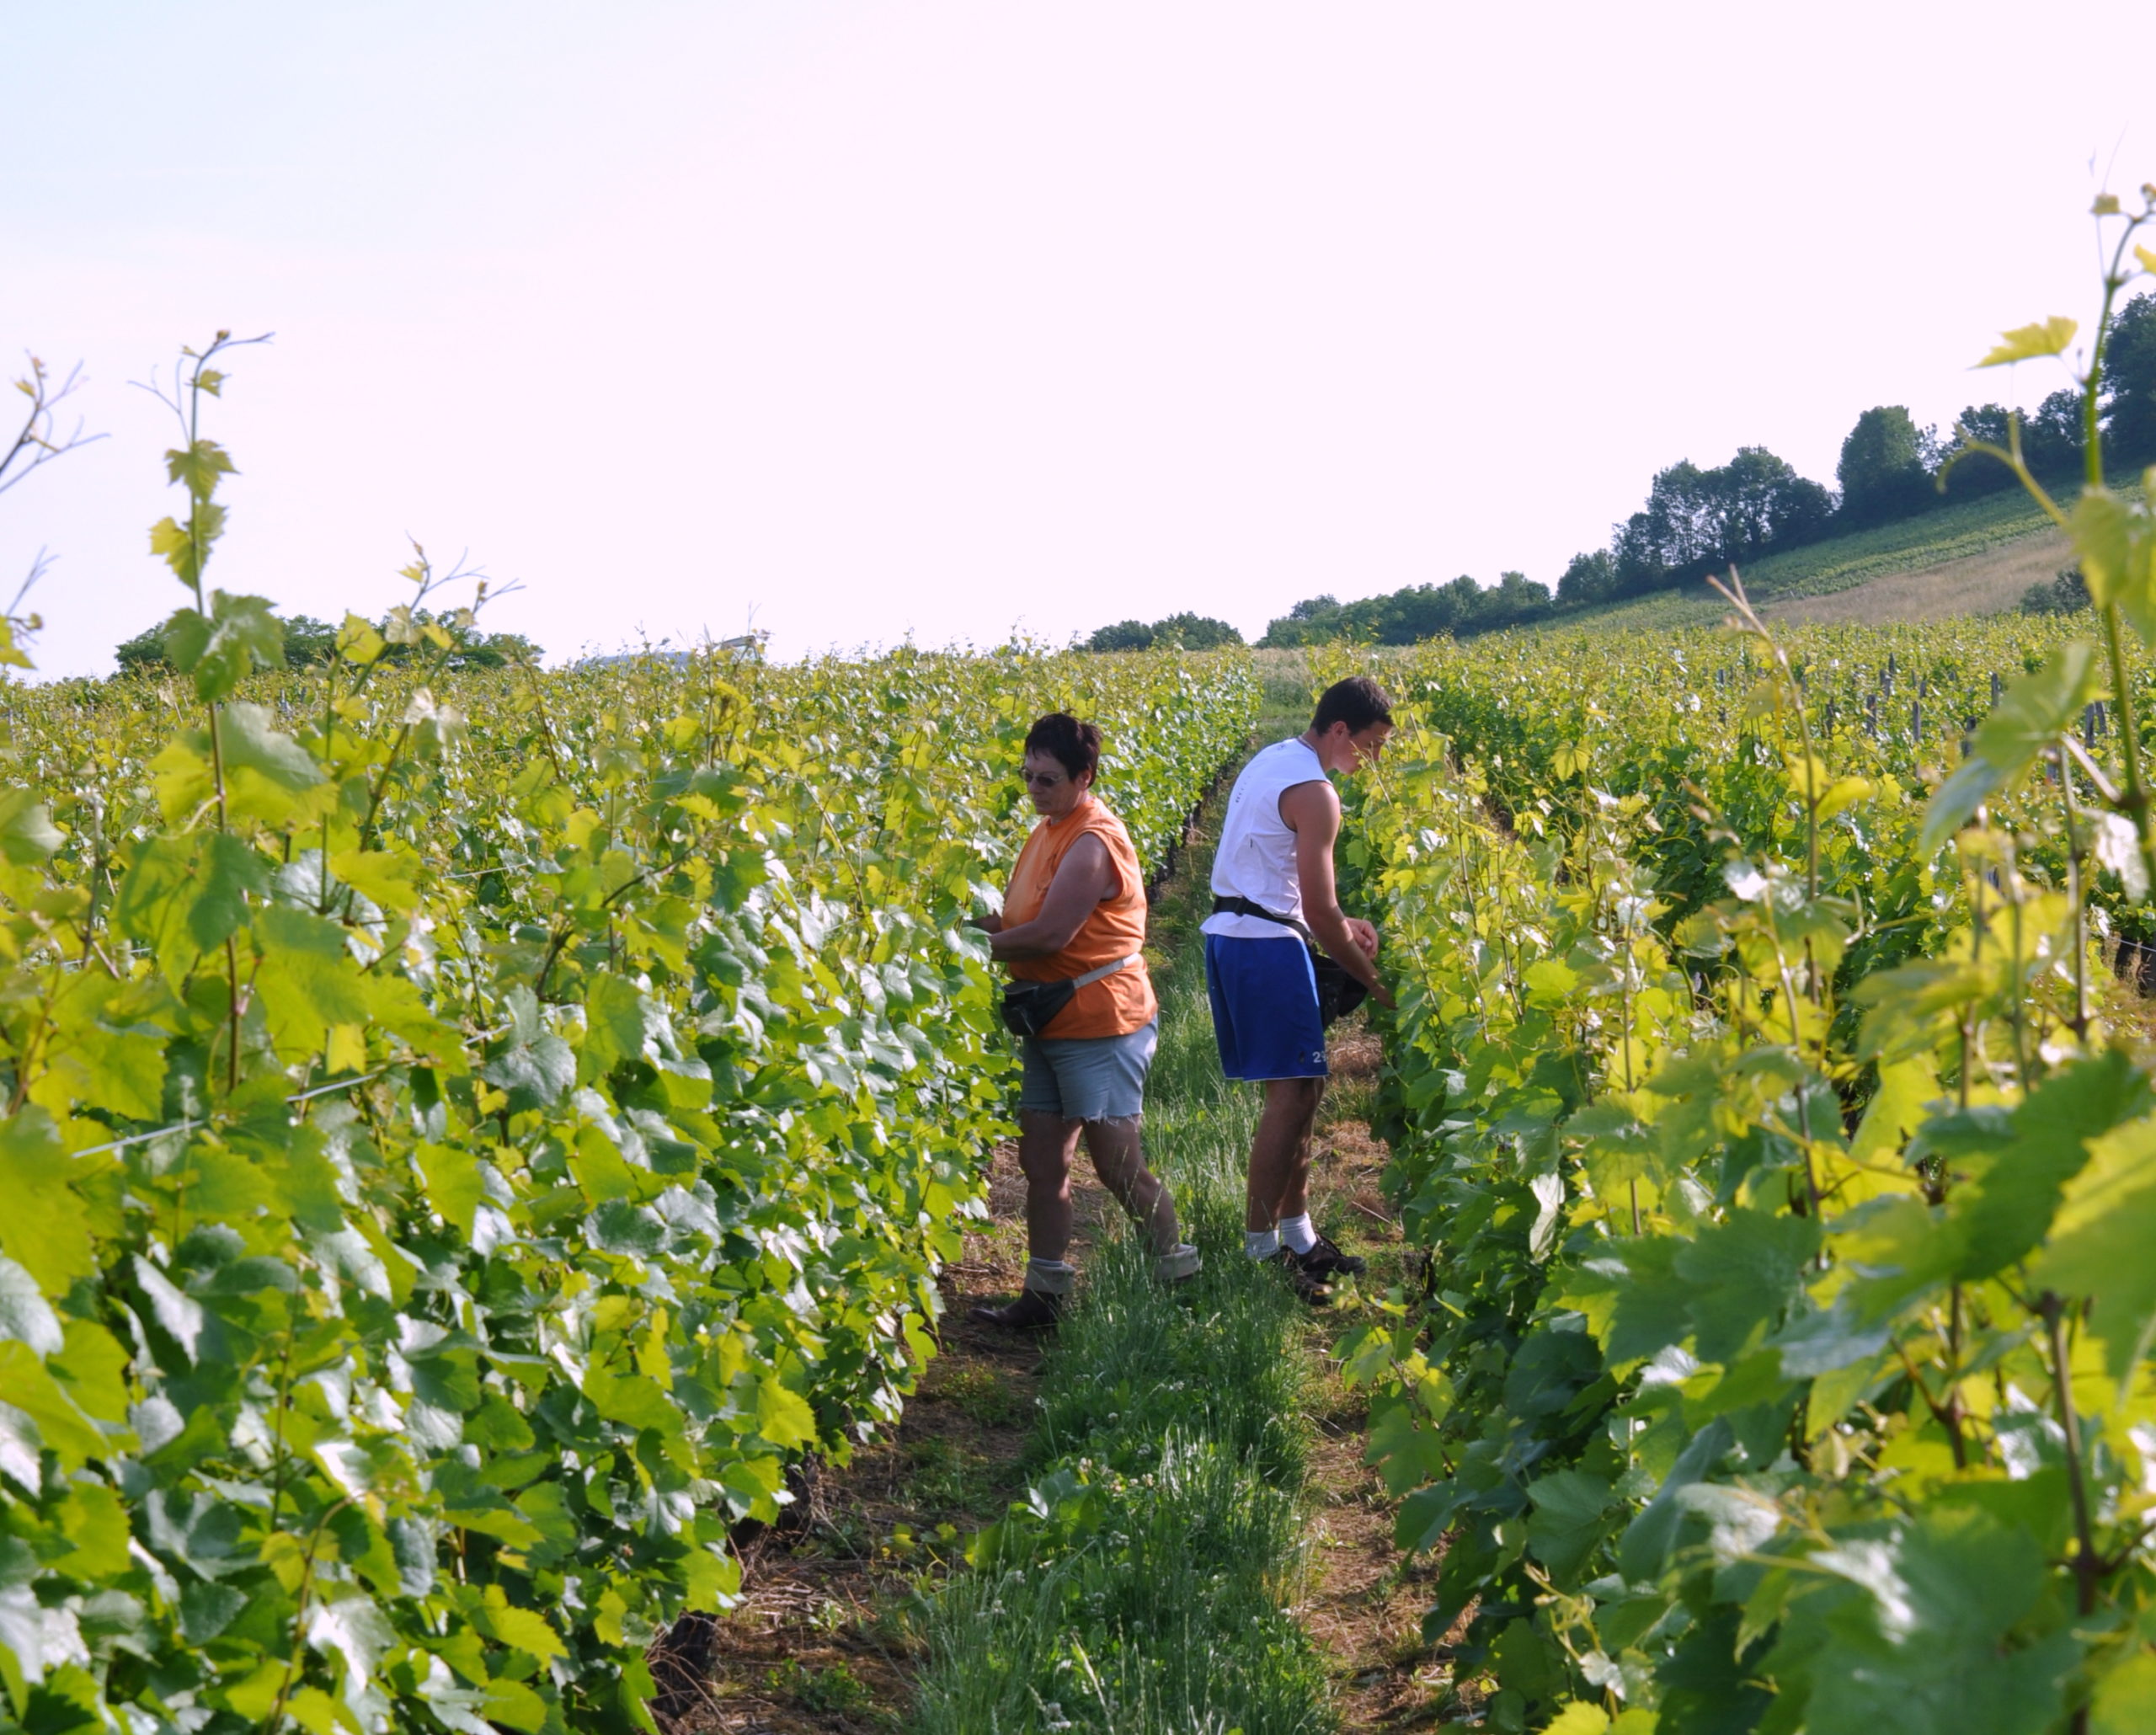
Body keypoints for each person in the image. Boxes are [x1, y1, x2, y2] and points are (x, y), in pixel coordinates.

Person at [971, 713, 1201, 1329]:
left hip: (1103, 1020)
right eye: (1028, 776)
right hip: (1048, 1022)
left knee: (1116, 1163)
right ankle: (1043, 1296)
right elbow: (1017, 920)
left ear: (1084, 776)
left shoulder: (1092, 841)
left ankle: (1176, 1271)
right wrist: (967, 928)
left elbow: (1049, 934)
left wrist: (963, 951)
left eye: (1047, 778)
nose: (1035, 789)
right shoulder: (1047, 828)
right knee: (1041, 1164)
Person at [1203, 675, 1395, 1301]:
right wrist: (1374, 981)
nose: (1373, 759)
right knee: (1289, 1099)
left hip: (1244, 933)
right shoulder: (1317, 793)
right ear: (1340, 730)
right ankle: (1261, 1256)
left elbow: (1288, 884)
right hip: (1262, 947)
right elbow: (1319, 910)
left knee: (1305, 1089)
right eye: (1370, 745)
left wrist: (1347, 924)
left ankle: (1301, 1237)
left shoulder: (1275, 758)